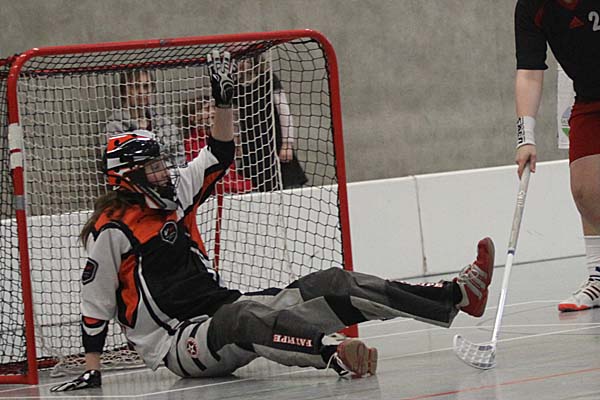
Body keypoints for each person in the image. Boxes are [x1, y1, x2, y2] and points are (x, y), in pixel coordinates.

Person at [50, 50, 496, 391]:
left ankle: (455, 296)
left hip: (222, 311)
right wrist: (92, 371)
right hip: (180, 344)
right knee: (244, 314)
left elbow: (219, 152)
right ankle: (331, 353)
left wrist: (223, 100)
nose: (166, 172)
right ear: (127, 177)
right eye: (154, 168)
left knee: (332, 281)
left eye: (163, 165)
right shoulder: (111, 228)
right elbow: (95, 305)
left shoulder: (176, 193)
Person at [514, 0, 600, 312]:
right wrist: (526, 138)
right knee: (586, 190)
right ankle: (598, 276)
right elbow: (529, 73)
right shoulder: (531, 7)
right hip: (589, 98)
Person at [236, 54, 308, 191]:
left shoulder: (268, 79)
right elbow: (236, 116)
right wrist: (238, 142)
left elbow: (284, 111)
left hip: (274, 139)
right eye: (239, 61)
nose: (241, 64)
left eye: (245, 60)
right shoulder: (238, 86)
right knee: (255, 183)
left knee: (285, 181)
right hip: (251, 144)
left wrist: (287, 143)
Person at [181, 95, 252, 194]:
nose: (212, 112)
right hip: (215, 186)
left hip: (231, 181)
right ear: (193, 118)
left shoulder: (216, 135)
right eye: (207, 109)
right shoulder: (192, 141)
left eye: (213, 108)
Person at [105, 69, 183, 158]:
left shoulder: (164, 124)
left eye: (146, 86)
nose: (142, 92)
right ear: (123, 91)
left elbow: (179, 157)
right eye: (136, 86)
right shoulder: (114, 128)